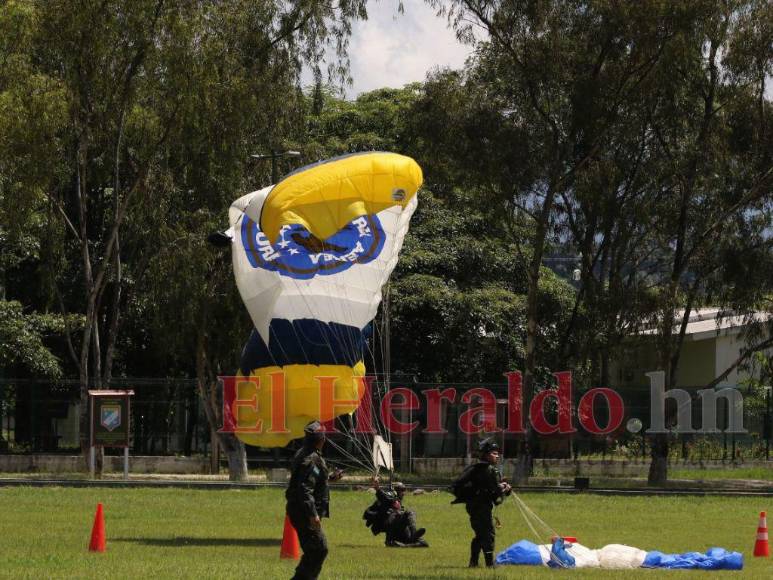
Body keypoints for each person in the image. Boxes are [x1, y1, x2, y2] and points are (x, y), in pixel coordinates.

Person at [285, 421, 343, 580]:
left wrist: (329, 478)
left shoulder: (305, 453)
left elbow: (309, 480)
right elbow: (305, 488)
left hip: (299, 510)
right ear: (321, 439)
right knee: (318, 549)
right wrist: (313, 514)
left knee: (316, 550)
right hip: (304, 512)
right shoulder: (312, 459)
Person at [452, 438, 511, 568]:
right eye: (494, 453)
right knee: (488, 534)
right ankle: (490, 564)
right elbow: (494, 491)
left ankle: (473, 563)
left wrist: (501, 488)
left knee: (480, 534)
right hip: (481, 506)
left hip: (473, 505)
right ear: (486, 454)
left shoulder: (476, 468)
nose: (497, 456)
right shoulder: (489, 470)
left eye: (497, 453)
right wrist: (505, 488)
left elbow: (490, 489)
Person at [363, 478, 428, 547]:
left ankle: (403, 545)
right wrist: (377, 489)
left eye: (404, 490)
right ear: (395, 491)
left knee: (424, 543)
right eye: (402, 490)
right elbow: (384, 497)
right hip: (391, 527)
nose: (403, 493)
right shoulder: (389, 499)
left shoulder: (396, 502)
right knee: (410, 512)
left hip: (398, 532)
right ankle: (414, 533)